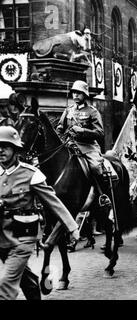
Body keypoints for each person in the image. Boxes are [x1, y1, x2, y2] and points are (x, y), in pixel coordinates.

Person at [0, 126, 80, 300]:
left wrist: (72, 227)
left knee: (5, 284)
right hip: (2, 236)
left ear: (15, 149)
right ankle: (34, 288)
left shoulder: (31, 174)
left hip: (23, 236)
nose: (0, 150)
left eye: (5, 146)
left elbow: (54, 202)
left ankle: (102, 195)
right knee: (25, 279)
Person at [56, 80, 109, 207]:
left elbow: (99, 133)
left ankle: (102, 195)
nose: (75, 95)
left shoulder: (92, 112)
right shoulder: (68, 111)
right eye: (74, 92)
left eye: (79, 93)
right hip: (69, 145)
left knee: (96, 167)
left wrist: (83, 130)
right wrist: (60, 137)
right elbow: (60, 128)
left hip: (87, 147)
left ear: (84, 95)